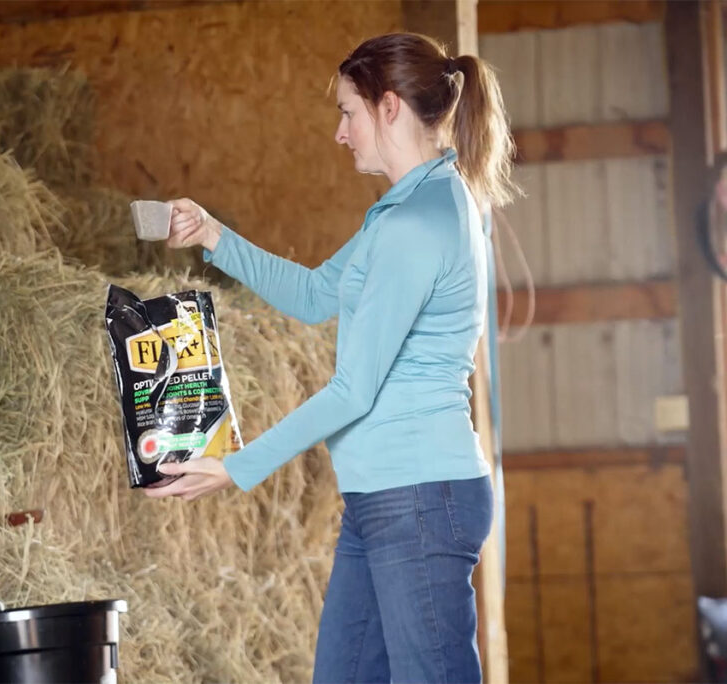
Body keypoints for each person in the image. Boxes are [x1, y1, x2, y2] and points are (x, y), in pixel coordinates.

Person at [143, 32, 518, 684]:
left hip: (419, 498)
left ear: (390, 107)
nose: (341, 133)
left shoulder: (416, 224)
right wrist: (212, 234)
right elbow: (318, 295)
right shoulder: (406, 210)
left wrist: (235, 467)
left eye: (348, 112)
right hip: (386, 497)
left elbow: (354, 391)